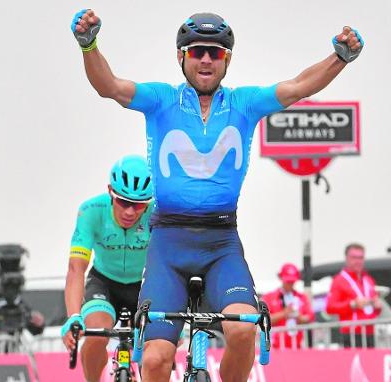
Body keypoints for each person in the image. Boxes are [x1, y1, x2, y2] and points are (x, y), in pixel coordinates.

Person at [70, 9, 363, 382]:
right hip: (168, 245)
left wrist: (339, 58)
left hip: (221, 242)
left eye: (215, 52)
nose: (206, 59)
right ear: (181, 57)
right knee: (157, 360)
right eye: (197, 52)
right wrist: (88, 45)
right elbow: (108, 85)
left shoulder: (245, 103)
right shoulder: (161, 100)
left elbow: (299, 86)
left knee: (243, 329)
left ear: (227, 59)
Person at [60, 155, 153, 382]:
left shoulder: (158, 213)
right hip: (104, 282)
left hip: (144, 284)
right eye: (123, 202)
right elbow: (76, 269)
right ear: (110, 191)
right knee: (96, 335)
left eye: (139, 205)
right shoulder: (91, 210)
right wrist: (73, 316)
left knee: (159, 346)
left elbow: (172, 261)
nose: (130, 212)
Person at [326, 243, 381, 348]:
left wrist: (377, 306)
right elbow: (330, 307)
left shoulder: (368, 280)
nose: (358, 261)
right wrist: (352, 304)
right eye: (354, 257)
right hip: (351, 334)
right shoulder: (339, 280)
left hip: (370, 332)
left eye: (360, 258)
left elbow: (374, 309)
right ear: (347, 258)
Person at [261, 263, 314, 349]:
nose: (290, 284)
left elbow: (310, 316)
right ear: (281, 278)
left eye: (292, 281)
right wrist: (284, 314)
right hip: (276, 347)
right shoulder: (269, 297)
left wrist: (300, 317)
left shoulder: (302, 297)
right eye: (288, 281)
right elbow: (263, 320)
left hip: (298, 346)